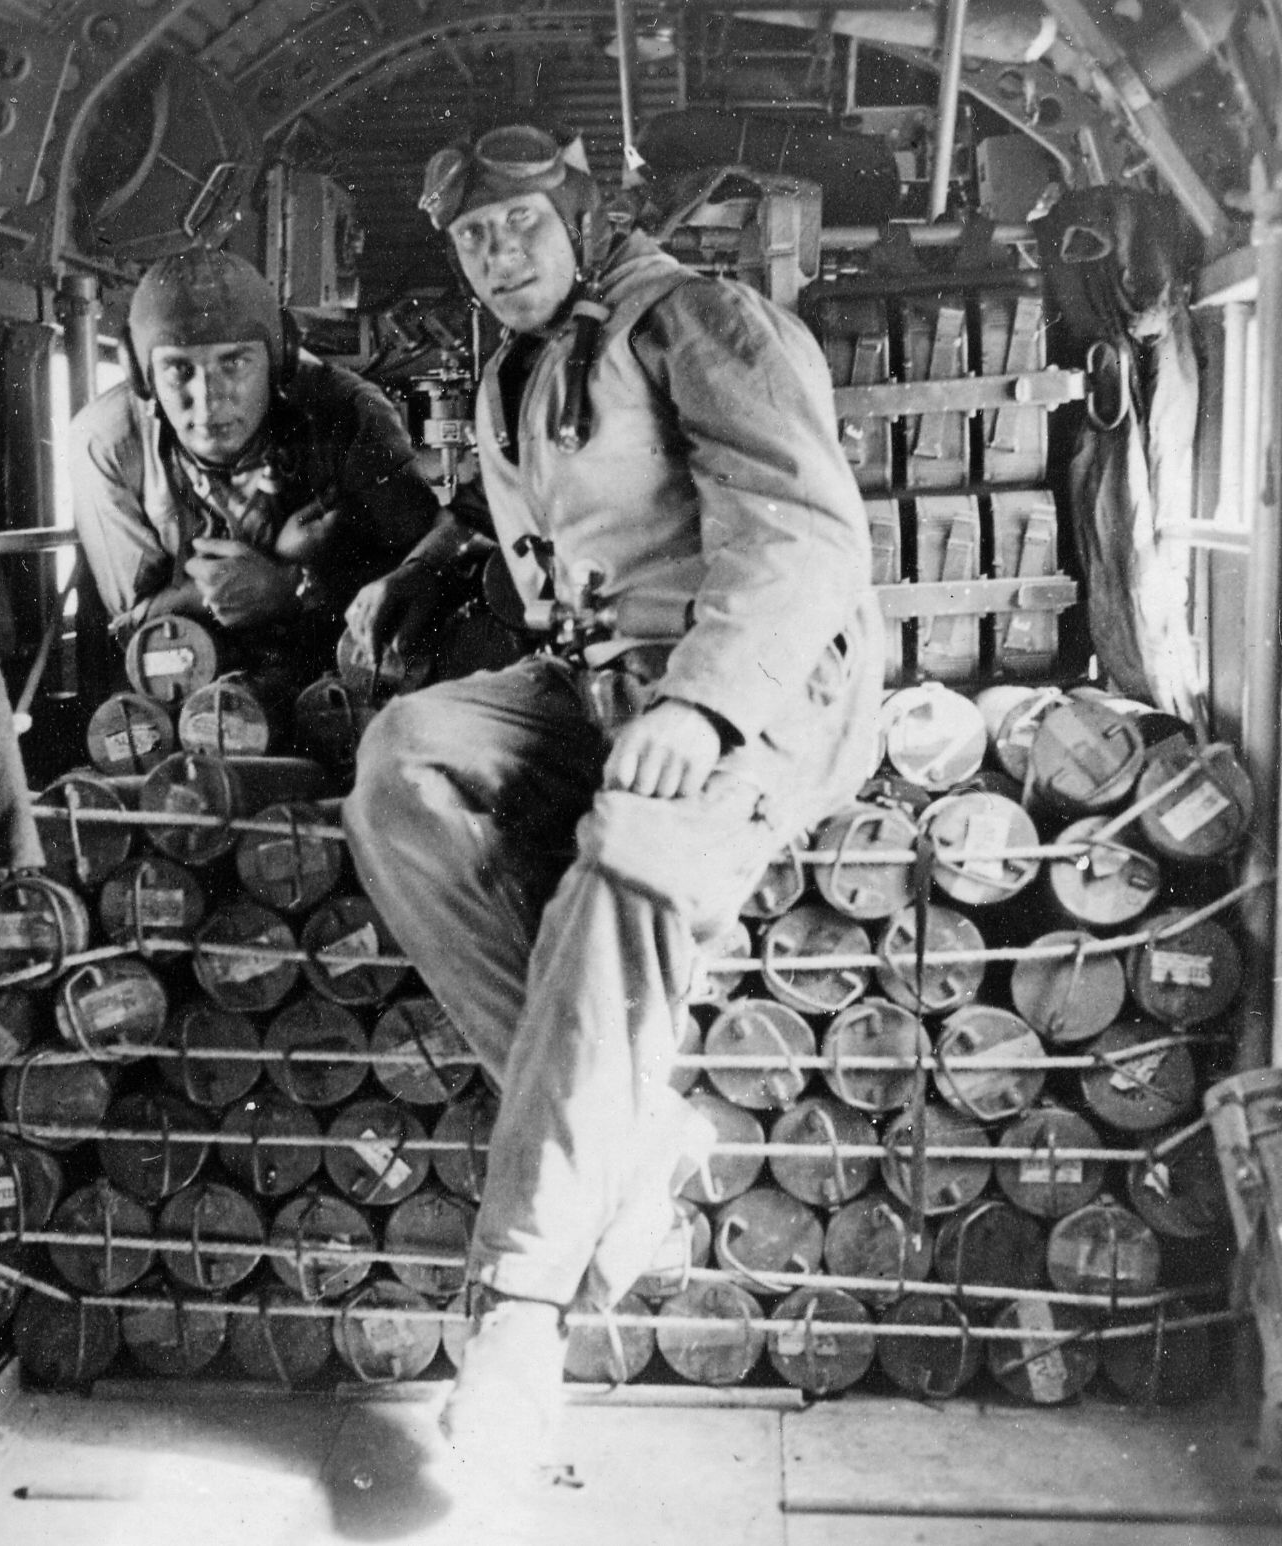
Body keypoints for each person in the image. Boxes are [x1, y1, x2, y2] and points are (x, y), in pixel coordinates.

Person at [341, 124, 884, 1482]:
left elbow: (803, 531)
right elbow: (519, 515)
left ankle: (520, 1312)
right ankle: (635, 1130)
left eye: (518, 223)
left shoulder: (700, 318)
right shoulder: (517, 368)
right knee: (402, 762)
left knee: (619, 860)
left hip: (758, 687)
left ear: (581, 213)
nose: (494, 254)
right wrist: (408, 569)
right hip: (598, 688)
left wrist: (701, 705)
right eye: (471, 239)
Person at [68, 245, 439, 678]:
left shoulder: (350, 413)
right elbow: (136, 626)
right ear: (139, 371)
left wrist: (292, 588)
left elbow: (423, 582)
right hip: (186, 675)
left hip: (342, 668)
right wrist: (239, 584)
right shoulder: (105, 441)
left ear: (279, 358)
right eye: (178, 370)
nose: (208, 405)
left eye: (235, 363)